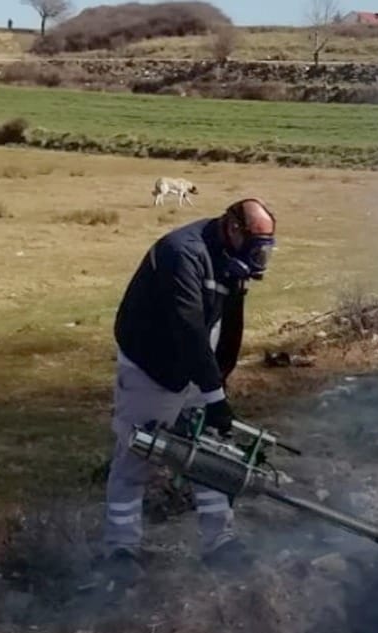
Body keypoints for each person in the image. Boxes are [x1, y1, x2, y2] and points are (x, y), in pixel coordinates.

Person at [102, 197, 276, 582]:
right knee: (137, 454)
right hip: (152, 361)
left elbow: (229, 324)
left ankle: (221, 544)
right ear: (234, 228)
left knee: (211, 453)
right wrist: (213, 396)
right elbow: (188, 327)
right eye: (256, 247)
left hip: (196, 361)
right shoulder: (182, 253)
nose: (259, 258)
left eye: (266, 250)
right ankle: (121, 550)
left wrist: (219, 386)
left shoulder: (231, 257)